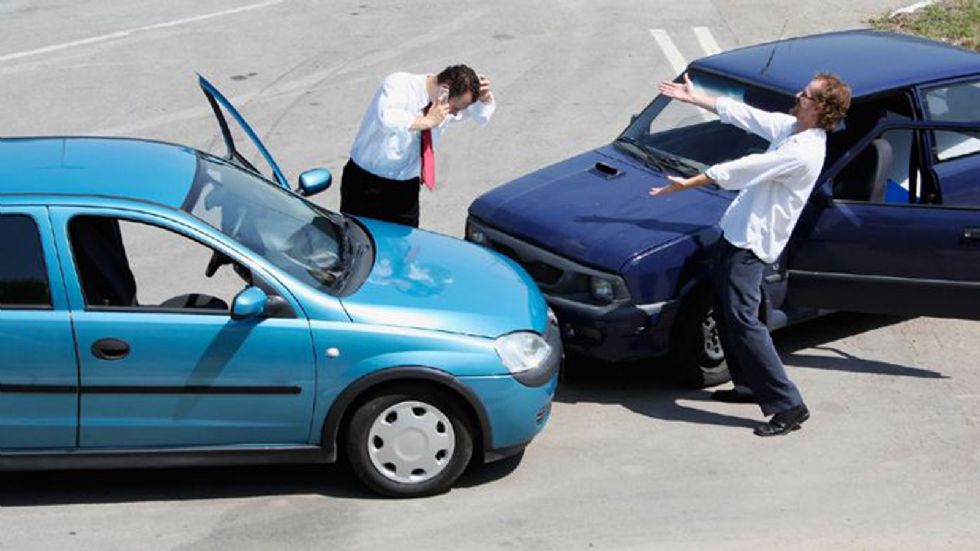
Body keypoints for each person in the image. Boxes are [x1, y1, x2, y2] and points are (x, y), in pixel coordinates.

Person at [651, 72, 851, 437]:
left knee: (744, 322)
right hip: (737, 233)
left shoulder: (803, 151)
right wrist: (695, 98)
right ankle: (746, 386)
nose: (796, 93)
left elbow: (745, 168)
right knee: (731, 313)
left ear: (819, 108)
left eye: (805, 93)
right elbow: (746, 115)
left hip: (751, 245)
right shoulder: (793, 129)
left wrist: (690, 182)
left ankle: (788, 405)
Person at [340, 64, 495, 227]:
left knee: (406, 246)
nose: (455, 114)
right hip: (366, 184)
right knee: (356, 242)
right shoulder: (399, 84)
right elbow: (387, 119)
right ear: (444, 90)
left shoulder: (444, 104)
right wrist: (428, 121)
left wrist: (485, 99)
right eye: (455, 108)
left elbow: (482, 117)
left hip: (405, 189)